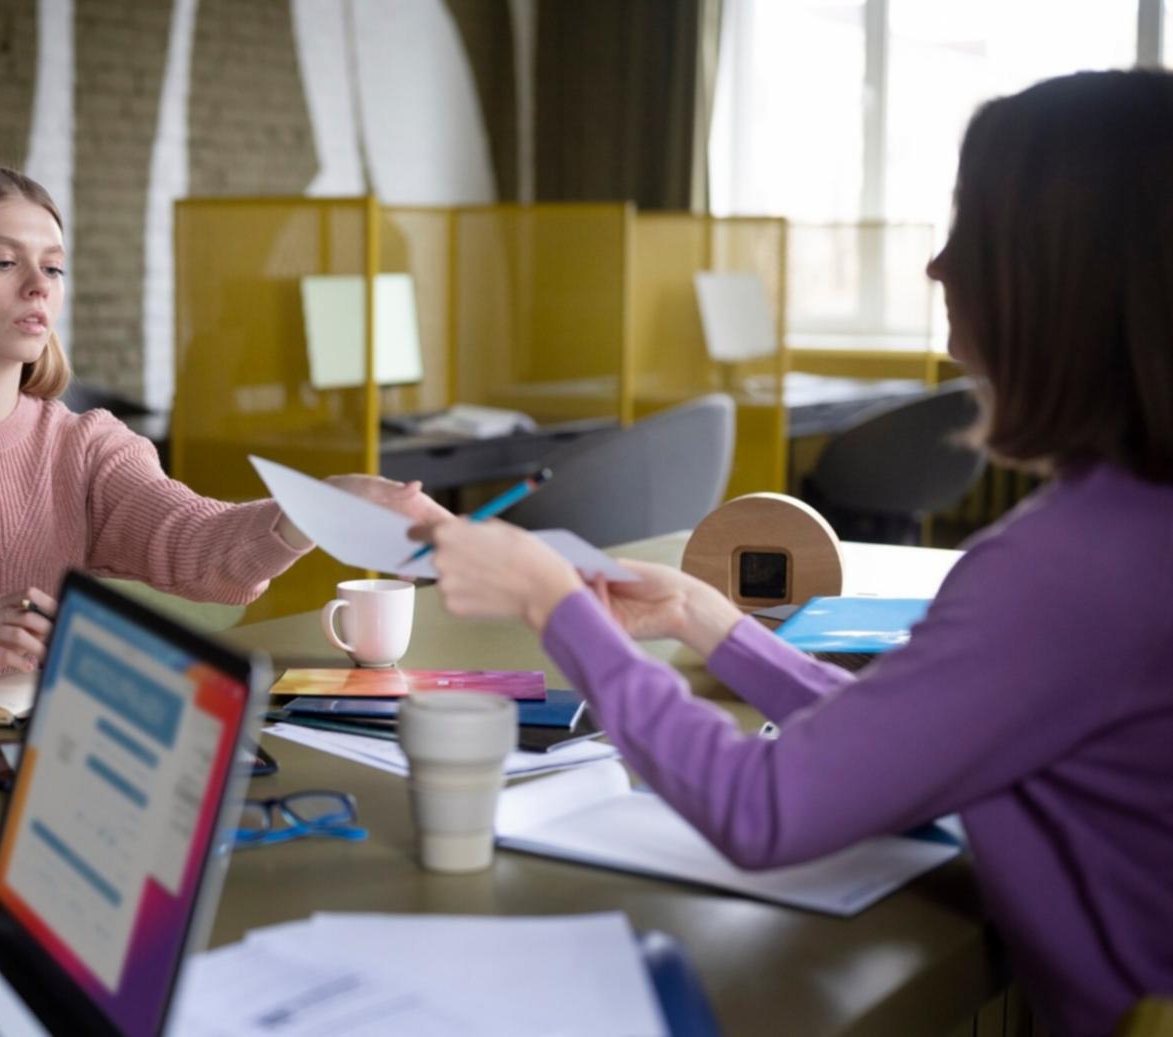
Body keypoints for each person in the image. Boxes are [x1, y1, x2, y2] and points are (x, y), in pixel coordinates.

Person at [414, 70, 1173, 1036]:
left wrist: (552, 602)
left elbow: (762, 808)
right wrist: (711, 624)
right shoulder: (1131, 526)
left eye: (970, 234)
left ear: (1058, 278)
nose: (939, 267)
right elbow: (906, 739)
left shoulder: (1060, 570)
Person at [0, 164, 446, 725]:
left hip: (40, 780)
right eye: (2, 262)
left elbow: (202, 547)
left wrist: (323, 505)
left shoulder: (83, 445)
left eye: (52, 268)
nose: (37, 287)